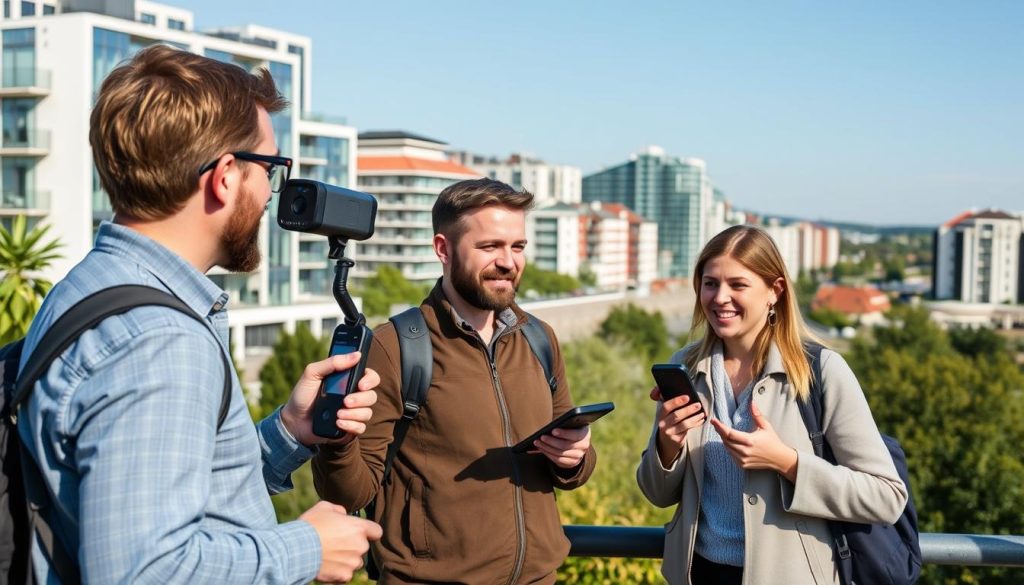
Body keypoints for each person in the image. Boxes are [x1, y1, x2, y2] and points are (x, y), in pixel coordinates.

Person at [18, 45, 381, 584]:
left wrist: (289, 431)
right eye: (270, 169)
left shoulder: (87, 289)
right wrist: (308, 549)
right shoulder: (160, 340)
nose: (267, 195)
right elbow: (143, 572)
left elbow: (169, 496)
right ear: (227, 176)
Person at [312, 178, 597, 584]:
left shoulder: (539, 337)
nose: (508, 261)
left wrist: (575, 458)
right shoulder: (397, 347)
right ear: (443, 249)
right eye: (489, 247)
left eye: (517, 247)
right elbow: (349, 494)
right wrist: (337, 443)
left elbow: (572, 470)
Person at [636, 225, 908, 585]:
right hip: (698, 574)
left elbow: (886, 497)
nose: (720, 297)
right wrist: (667, 445)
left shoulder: (821, 371)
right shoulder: (686, 368)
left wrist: (787, 463)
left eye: (738, 285)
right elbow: (656, 494)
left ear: (774, 291)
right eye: (710, 283)